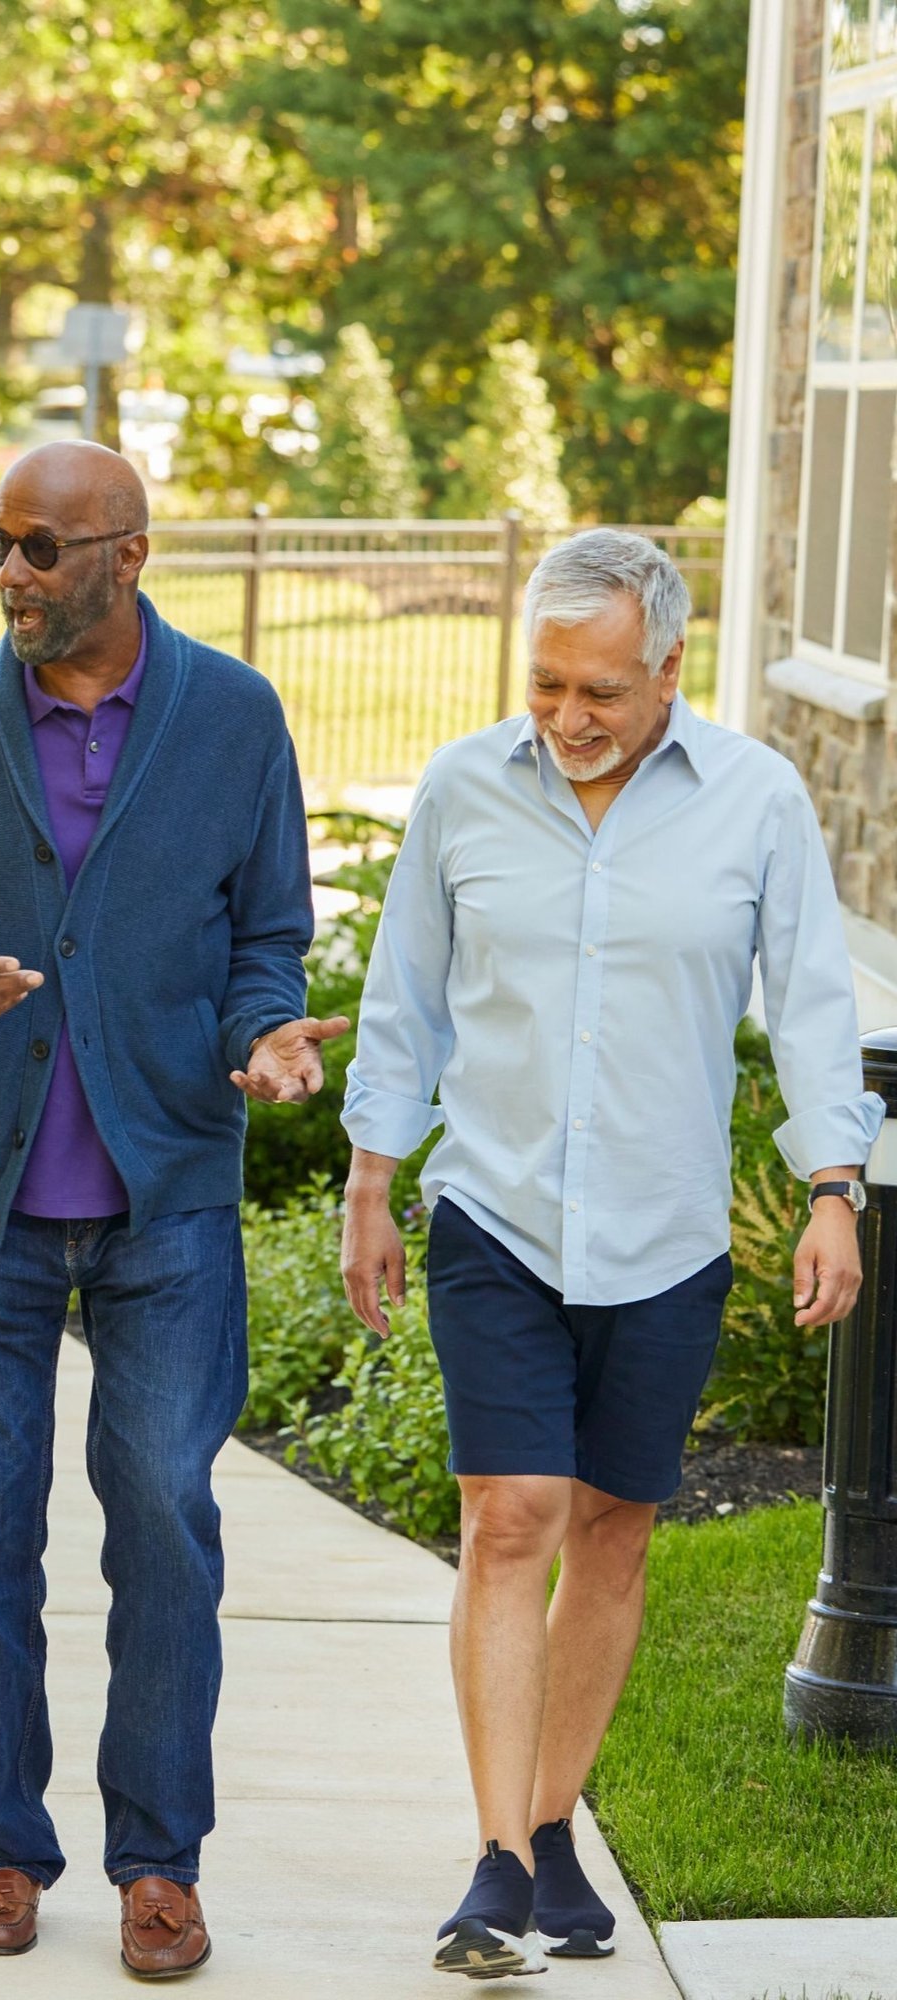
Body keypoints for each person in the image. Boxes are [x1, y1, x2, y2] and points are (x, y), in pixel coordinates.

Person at [339, 527, 884, 1978]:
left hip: (663, 1231)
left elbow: (812, 1005)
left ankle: (551, 1821)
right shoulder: (465, 789)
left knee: (614, 1530)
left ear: (669, 669)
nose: (567, 716)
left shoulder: (756, 800)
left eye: (601, 690)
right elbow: (404, 1000)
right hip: (499, 1213)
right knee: (512, 1512)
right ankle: (498, 1864)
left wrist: (834, 1189)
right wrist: (373, 1180)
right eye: (547, 684)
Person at [0, 440, 343, 1977]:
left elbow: (266, 938)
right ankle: (0, 1848)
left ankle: (160, 1865)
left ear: (129, 554)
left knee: (168, 1531)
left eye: (43, 547)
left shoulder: (234, 717)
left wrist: (264, 1038)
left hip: (165, 1197)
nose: (12, 570)